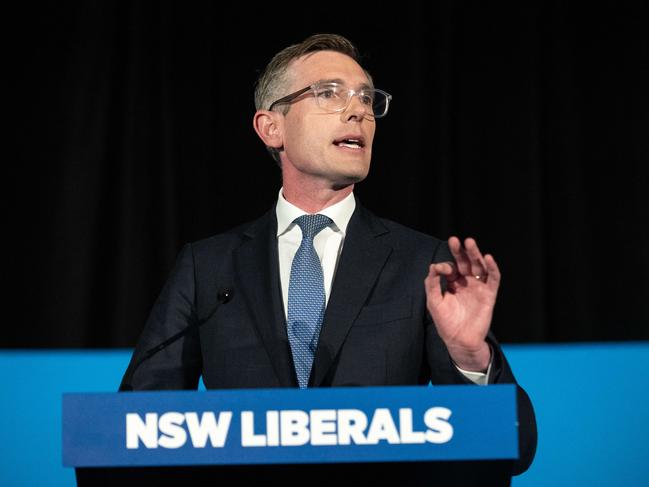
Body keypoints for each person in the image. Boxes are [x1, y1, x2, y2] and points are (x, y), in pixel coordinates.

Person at [120, 33, 537, 481]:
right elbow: (133, 429)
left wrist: (470, 358)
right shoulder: (209, 267)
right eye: (328, 93)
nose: (357, 110)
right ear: (270, 127)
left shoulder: (421, 263)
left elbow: (512, 450)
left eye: (366, 97)